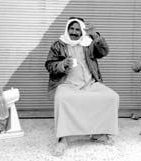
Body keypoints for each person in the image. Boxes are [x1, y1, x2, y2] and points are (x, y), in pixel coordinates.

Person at [45, 17, 119, 156]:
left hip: (90, 83)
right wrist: (62, 64)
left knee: (112, 97)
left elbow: (104, 52)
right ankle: (63, 139)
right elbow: (49, 65)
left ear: (82, 31)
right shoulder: (58, 44)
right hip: (66, 83)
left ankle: (97, 133)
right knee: (62, 99)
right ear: (67, 29)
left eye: (77, 29)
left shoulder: (88, 43)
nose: (74, 32)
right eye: (71, 29)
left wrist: (95, 34)